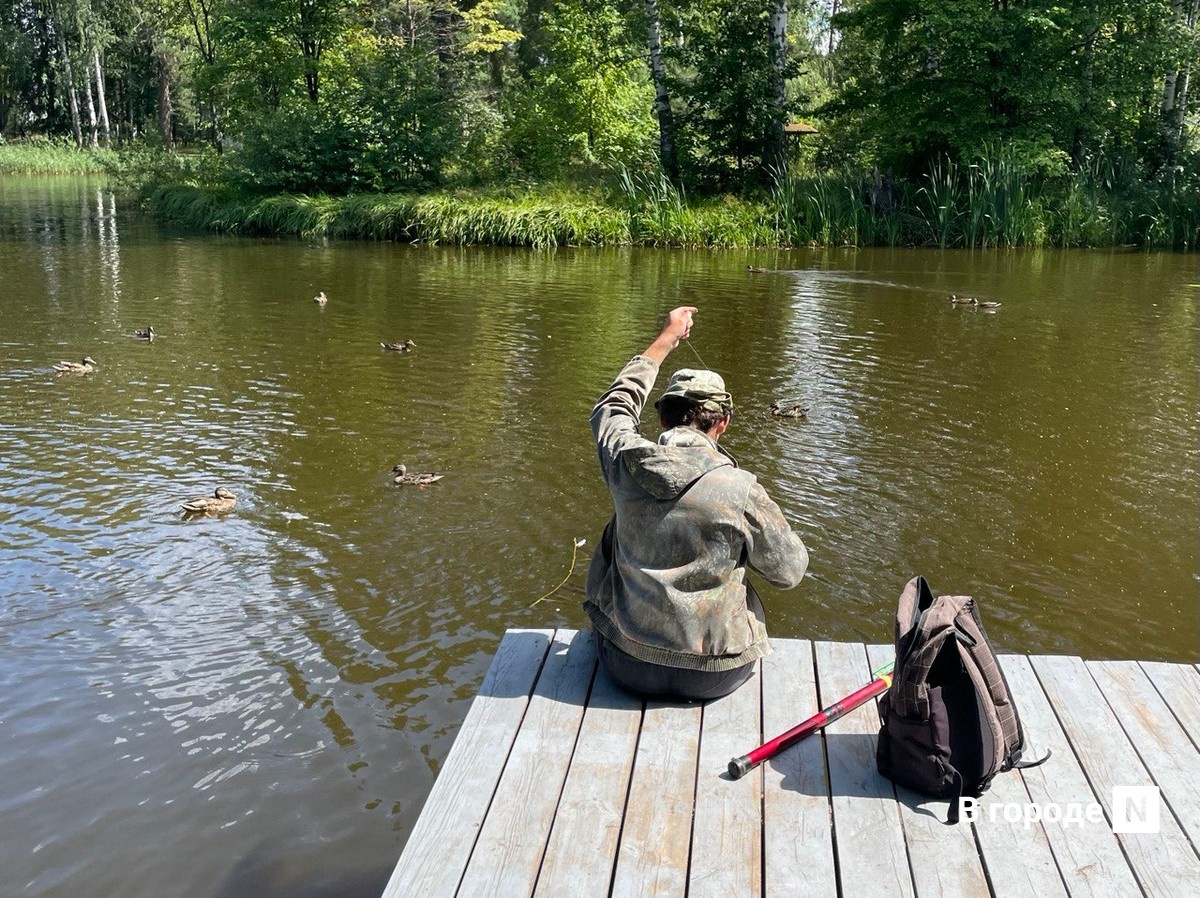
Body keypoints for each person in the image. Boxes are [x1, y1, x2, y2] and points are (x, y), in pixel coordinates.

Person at [584, 306, 809, 701]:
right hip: (714, 677)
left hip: (624, 663)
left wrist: (667, 338)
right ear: (723, 422)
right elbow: (789, 573)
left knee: (615, 529)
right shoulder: (742, 490)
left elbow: (612, 408)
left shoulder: (625, 461)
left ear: (662, 420)